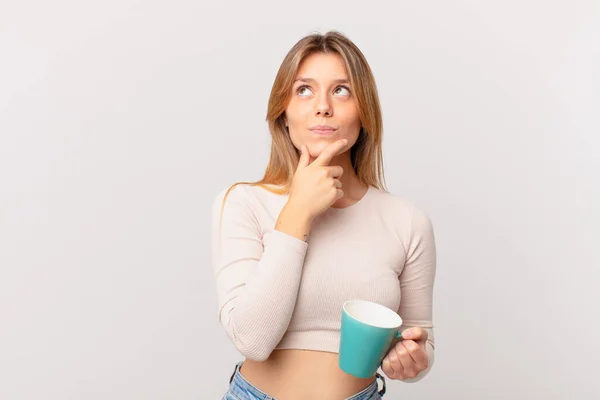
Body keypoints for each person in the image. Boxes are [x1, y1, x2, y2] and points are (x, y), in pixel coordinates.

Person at [212, 31, 437, 400]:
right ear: (283, 113)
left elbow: (420, 342)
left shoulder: (407, 221)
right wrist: (298, 210)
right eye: (304, 90)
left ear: (364, 113)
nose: (322, 107)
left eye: (341, 90)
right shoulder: (243, 203)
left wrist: (411, 358)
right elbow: (251, 339)